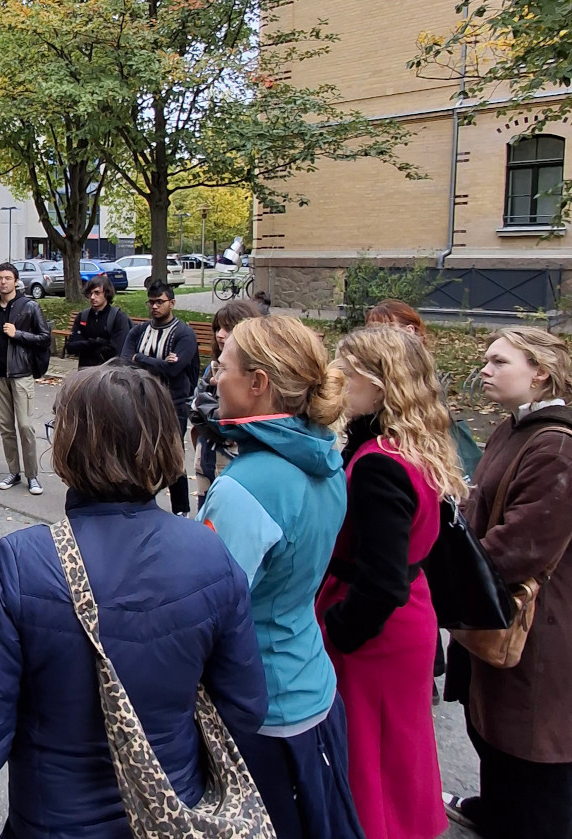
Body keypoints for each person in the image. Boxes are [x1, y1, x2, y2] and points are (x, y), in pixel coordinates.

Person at [0, 361, 269, 837]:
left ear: (72, 446)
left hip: (53, 821)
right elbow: (246, 707)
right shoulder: (211, 554)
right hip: (173, 815)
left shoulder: (22, 563)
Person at [197, 315, 363, 839]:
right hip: (312, 687)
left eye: (222, 367)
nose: (212, 378)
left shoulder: (248, 486)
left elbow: (208, 613)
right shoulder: (327, 461)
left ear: (258, 382)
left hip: (261, 711)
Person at [316, 326, 465, 839]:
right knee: (399, 753)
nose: (335, 376)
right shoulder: (408, 446)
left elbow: (380, 579)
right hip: (405, 614)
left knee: (372, 760)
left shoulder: (380, 462)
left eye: (347, 369)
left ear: (378, 384)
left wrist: (338, 629)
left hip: (376, 629)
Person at [442, 327, 572, 839]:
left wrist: (446, 579)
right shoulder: (515, 427)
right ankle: (495, 810)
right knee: (494, 730)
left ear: (539, 372)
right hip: (496, 610)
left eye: (499, 362)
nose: (486, 371)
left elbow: (519, 548)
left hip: (540, 626)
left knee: (536, 744)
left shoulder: (556, 448)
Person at [122, 280, 199, 515]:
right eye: (151, 302)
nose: (154, 307)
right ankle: (143, 504)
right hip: (141, 400)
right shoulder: (139, 331)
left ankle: (181, 510)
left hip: (172, 404)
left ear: (172, 303)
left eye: (160, 302)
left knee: (173, 454)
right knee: (141, 451)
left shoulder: (183, 333)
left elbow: (174, 370)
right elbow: (125, 360)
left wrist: (140, 359)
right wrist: (159, 362)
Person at [0, 262, 50, 496]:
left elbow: (44, 338)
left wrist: (17, 334)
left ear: (16, 281)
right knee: (6, 428)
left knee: (25, 426)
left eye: (7, 278)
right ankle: (14, 471)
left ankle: (32, 476)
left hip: (21, 375)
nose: (3, 282)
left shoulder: (29, 307)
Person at [190, 299, 263, 508]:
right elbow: (196, 412)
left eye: (228, 329)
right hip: (206, 461)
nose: (220, 335)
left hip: (234, 465)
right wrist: (216, 423)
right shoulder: (210, 369)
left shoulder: (254, 377)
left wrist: (214, 418)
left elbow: (237, 422)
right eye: (217, 328)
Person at [63, 274, 131, 369]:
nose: (92, 297)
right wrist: (95, 342)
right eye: (90, 293)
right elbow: (71, 347)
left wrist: (86, 347)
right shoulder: (83, 316)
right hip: (85, 371)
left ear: (106, 293)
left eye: (97, 293)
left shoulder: (118, 317)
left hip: (110, 373)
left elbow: (116, 350)